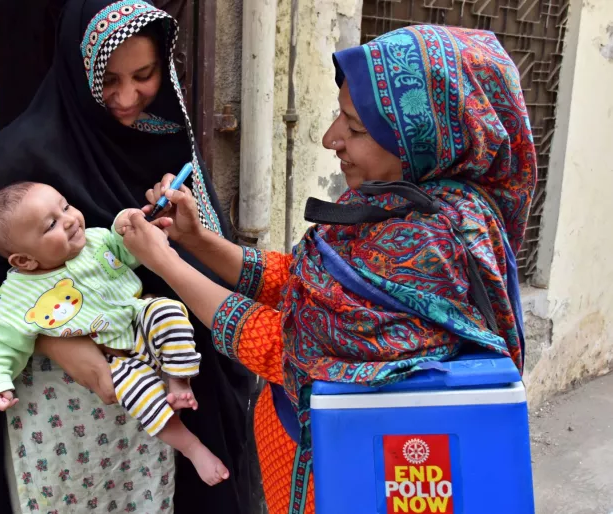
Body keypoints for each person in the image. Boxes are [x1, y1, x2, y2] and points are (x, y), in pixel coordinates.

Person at [119, 25, 536, 514]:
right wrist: (197, 241)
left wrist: (166, 263)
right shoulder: (399, 203)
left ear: (427, 138)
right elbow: (302, 283)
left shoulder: (430, 245)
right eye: (341, 116)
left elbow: (289, 348)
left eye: (356, 128)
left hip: (347, 476)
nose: (330, 138)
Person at [0, 1, 252, 513]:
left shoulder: (167, 138)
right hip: (71, 425)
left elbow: (213, 262)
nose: (127, 99)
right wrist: (50, 337)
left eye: (144, 75)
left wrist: (176, 233)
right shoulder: (26, 154)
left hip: (178, 386)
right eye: (108, 82)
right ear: (80, 75)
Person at [0, 181, 228, 485]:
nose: (70, 219)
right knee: (138, 396)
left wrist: (127, 226)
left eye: (66, 206)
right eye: (52, 224)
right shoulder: (17, 294)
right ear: (25, 260)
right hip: (112, 356)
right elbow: (0, 342)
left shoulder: (97, 240)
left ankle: (178, 379)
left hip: (139, 321)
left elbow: (130, 252)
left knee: (167, 310)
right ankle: (191, 447)